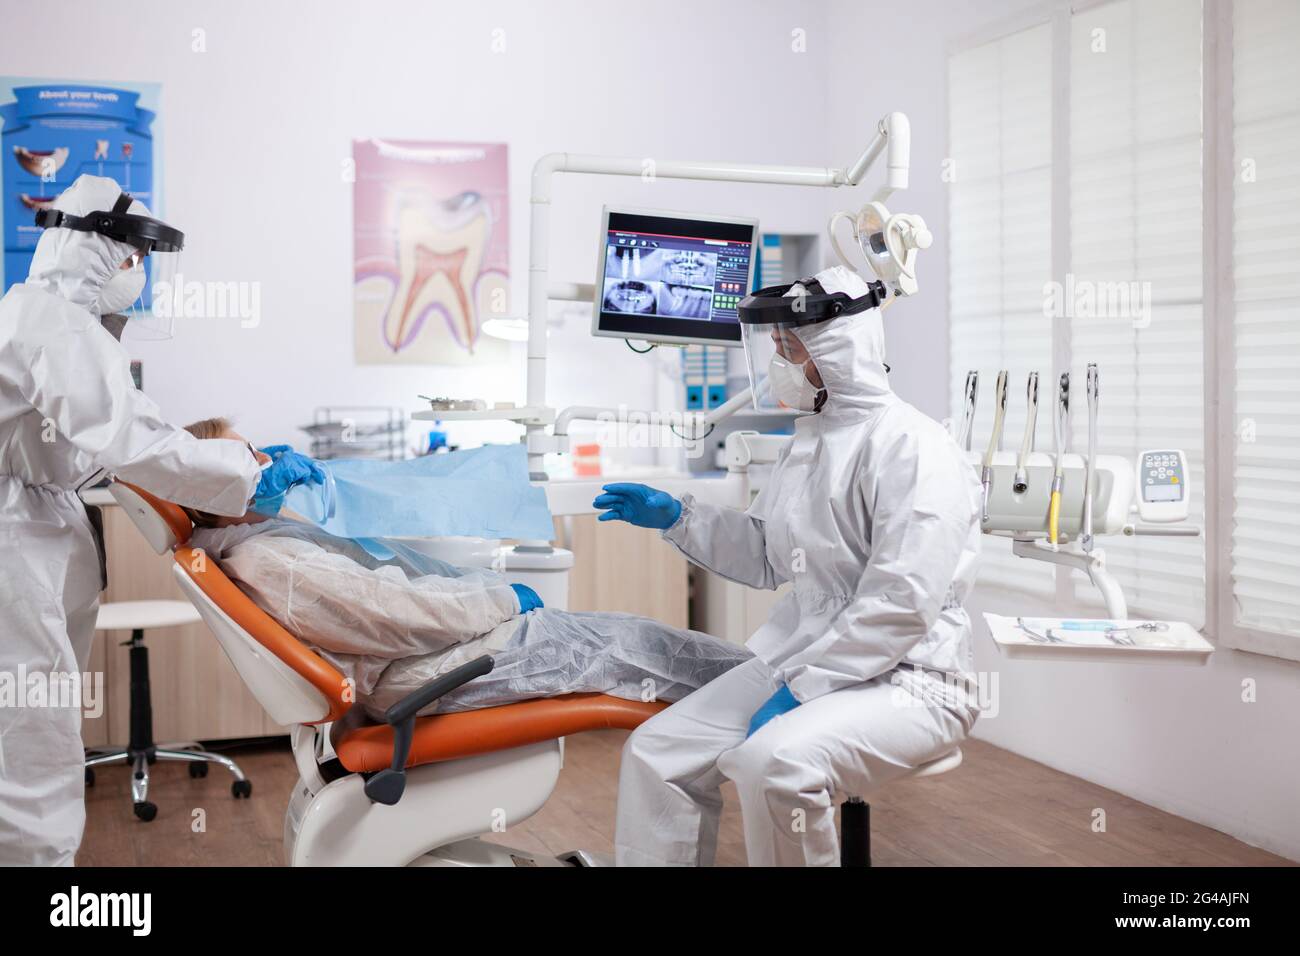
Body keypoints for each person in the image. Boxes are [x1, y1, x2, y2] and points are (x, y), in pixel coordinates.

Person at [595, 266, 984, 866]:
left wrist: (804, 689)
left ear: (838, 349)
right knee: (656, 752)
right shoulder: (812, 441)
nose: (779, 360)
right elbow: (766, 553)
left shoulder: (915, 448)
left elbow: (901, 603)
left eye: (790, 347)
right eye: (775, 347)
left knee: (774, 764)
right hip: (803, 657)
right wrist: (678, 516)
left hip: (913, 679)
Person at [0, 175, 321, 866]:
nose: (139, 273)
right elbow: (129, 440)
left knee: (30, 717)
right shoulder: (47, 319)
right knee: (27, 731)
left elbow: (98, 444)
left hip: (30, 529)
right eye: (134, 255)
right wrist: (248, 472)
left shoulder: (61, 324)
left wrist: (232, 458)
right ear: (94, 249)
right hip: (12, 545)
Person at [181, 418, 751, 719]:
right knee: (638, 647)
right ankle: (779, 693)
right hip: (430, 671)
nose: (264, 460)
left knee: (630, 639)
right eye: (246, 456)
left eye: (255, 446)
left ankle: (772, 689)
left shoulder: (256, 539)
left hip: (431, 658)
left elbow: (384, 591)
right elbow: (397, 614)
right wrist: (501, 599)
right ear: (215, 487)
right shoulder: (269, 559)